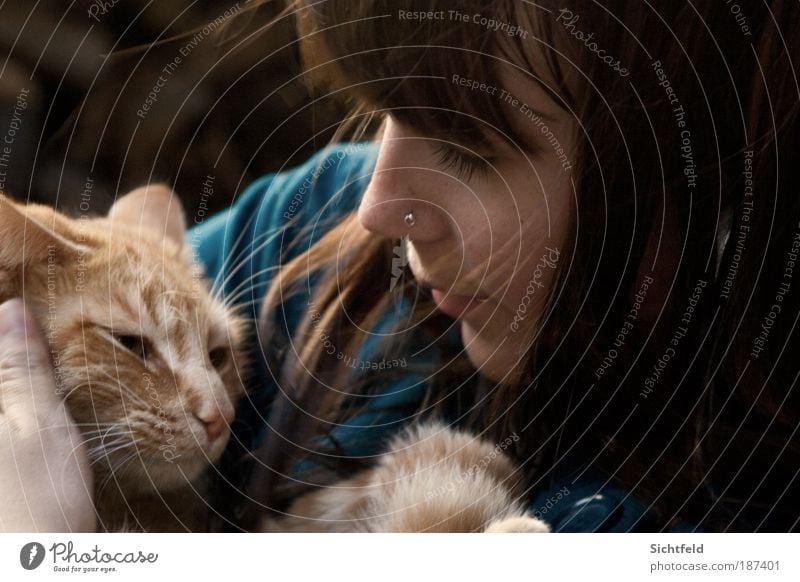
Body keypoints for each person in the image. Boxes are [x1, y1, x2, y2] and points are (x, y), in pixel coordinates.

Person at [1, 0, 798, 532]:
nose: (379, 208)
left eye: (466, 144)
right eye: (385, 107)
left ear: (687, 179)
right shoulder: (312, 233)